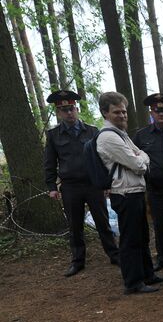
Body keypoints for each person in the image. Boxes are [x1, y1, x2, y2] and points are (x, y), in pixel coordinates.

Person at [43, 90, 119, 276]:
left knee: (103, 223)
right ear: (59, 113)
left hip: (93, 184)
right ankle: (78, 261)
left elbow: (102, 159)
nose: (68, 112)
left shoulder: (92, 131)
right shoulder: (53, 135)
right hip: (70, 187)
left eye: (71, 108)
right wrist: (52, 187)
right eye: (63, 110)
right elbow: (50, 163)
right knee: (75, 226)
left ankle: (114, 255)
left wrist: (106, 183)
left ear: (76, 109)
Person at [96, 91, 163, 294]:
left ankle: (147, 274)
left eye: (124, 112)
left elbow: (141, 154)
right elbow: (138, 163)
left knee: (142, 236)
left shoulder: (121, 134)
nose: (123, 116)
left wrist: (140, 156)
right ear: (105, 113)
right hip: (125, 193)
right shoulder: (108, 137)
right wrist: (140, 158)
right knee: (130, 239)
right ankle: (133, 282)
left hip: (134, 190)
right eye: (117, 112)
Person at [132, 93, 163, 271]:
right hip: (156, 189)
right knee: (161, 226)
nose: (161, 114)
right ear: (151, 112)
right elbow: (133, 157)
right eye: (157, 111)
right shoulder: (141, 136)